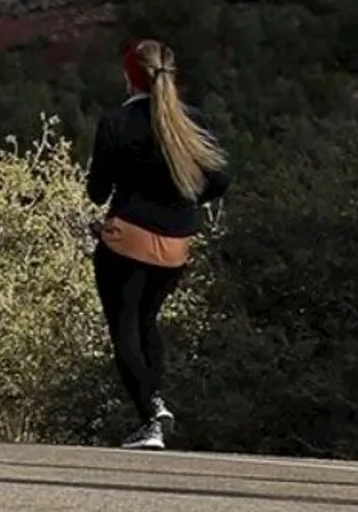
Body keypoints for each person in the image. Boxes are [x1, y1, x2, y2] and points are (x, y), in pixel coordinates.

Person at [86, 37, 229, 451]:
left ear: (129, 77)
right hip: (177, 245)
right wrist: (184, 200)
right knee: (148, 322)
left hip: (127, 240)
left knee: (125, 328)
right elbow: (220, 179)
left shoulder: (116, 122)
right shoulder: (195, 121)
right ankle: (155, 413)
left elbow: (97, 191)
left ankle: (151, 413)